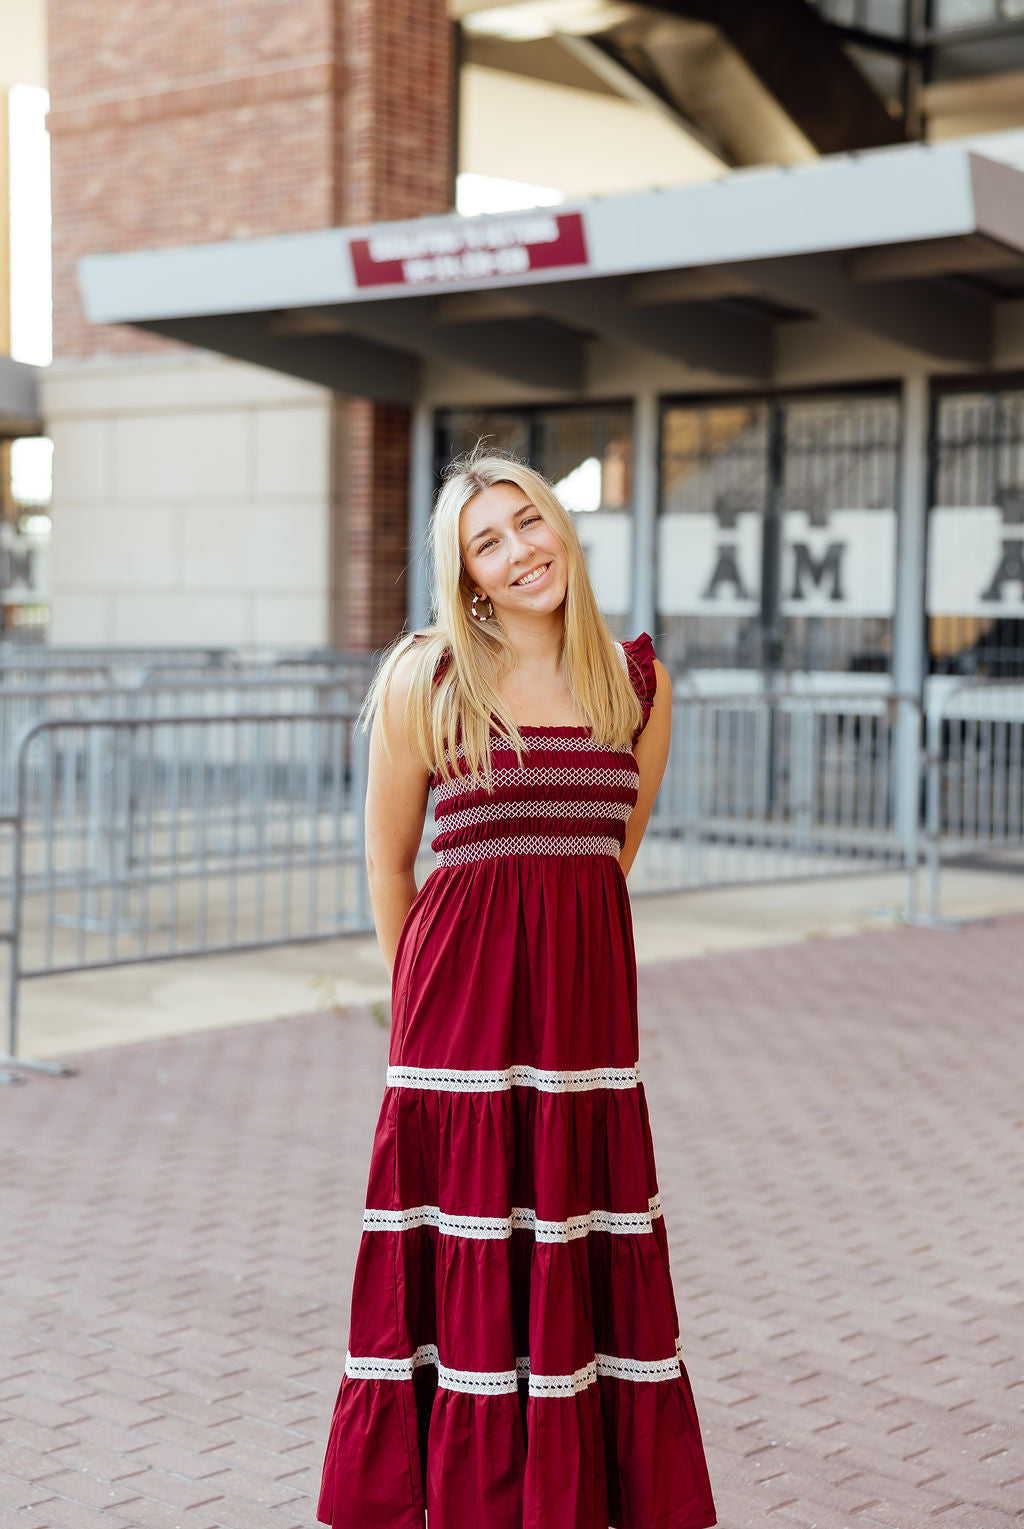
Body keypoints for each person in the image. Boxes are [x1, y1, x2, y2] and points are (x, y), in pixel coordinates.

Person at [317, 451, 718, 1529]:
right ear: (469, 577)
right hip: (456, 1020)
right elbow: (387, 864)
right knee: (467, 1255)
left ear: (561, 526)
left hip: (584, 1020)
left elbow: (602, 857)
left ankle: (566, 1496)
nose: (517, 550)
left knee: (572, 1241)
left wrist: (554, 961)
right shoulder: (426, 675)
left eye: (527, 521)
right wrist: (417, 1031)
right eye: (484, 542)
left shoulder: (636, 682)